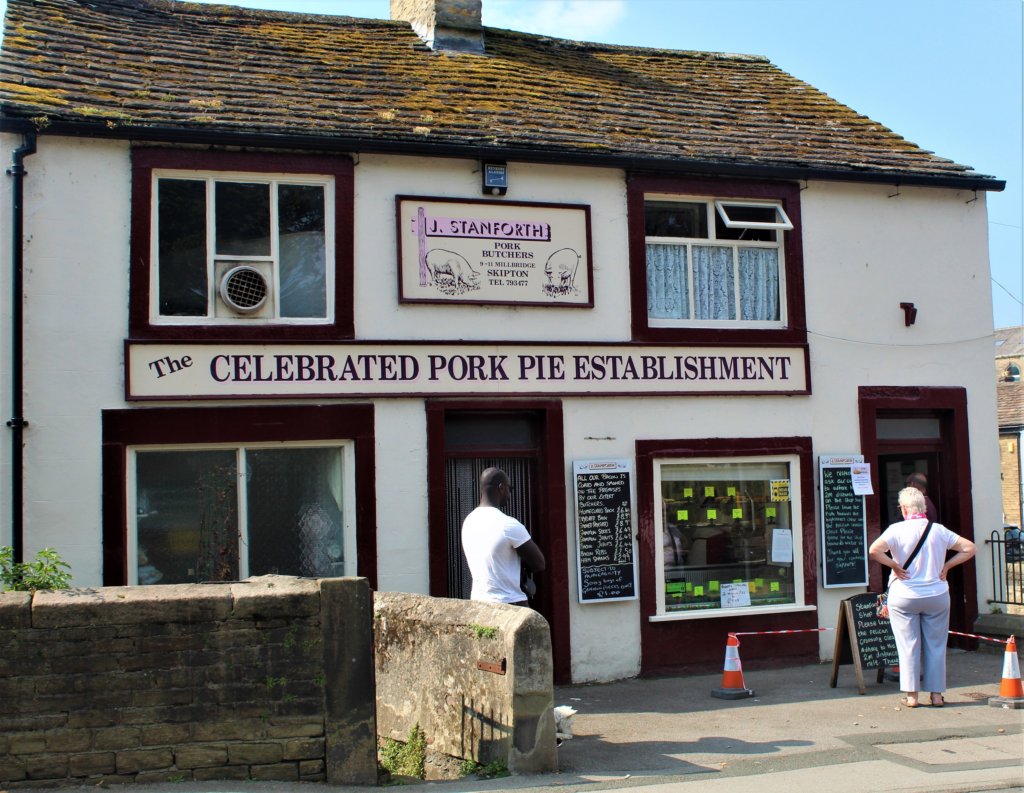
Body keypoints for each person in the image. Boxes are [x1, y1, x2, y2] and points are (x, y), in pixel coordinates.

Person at [868, 486, 975, 708]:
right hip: (936, 594)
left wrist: (894, 566)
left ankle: (912, 696)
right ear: (923, 508)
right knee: (936, 645)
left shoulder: (895, 530)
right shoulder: (939, 530)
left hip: (905, 595)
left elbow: (874, 550)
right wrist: (947, 565)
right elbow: (969, 548)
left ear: (904, 508)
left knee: (908, 645)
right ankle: (936, 696)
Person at [461, 467, 545, 606]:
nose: (509, 494)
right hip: (510, 602)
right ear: (501, 487)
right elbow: (539, 564)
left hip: (479, 602)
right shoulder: (508, 525)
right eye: (509, 488)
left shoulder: (469, 522)